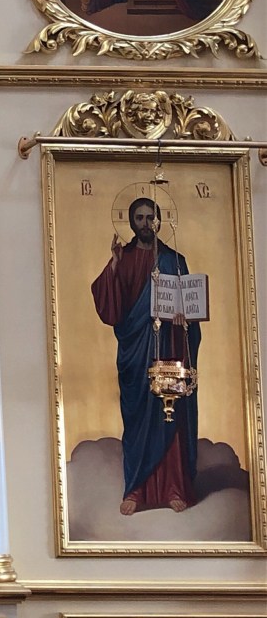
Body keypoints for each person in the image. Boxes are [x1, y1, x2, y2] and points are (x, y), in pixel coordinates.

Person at [90, 197, 201, 516]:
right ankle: (136, 490)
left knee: (170, 413)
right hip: (135, 352)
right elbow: (110, 308)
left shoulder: (174, 260)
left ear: (159, 220)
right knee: (138, 418)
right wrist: (113, 265)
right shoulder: (122, 259)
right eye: (139, 217)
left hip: (168, 349)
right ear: (131, 221)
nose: (145, 223)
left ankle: (174, 487)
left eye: (150, 217)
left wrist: (183, 320)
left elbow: (191, 308)